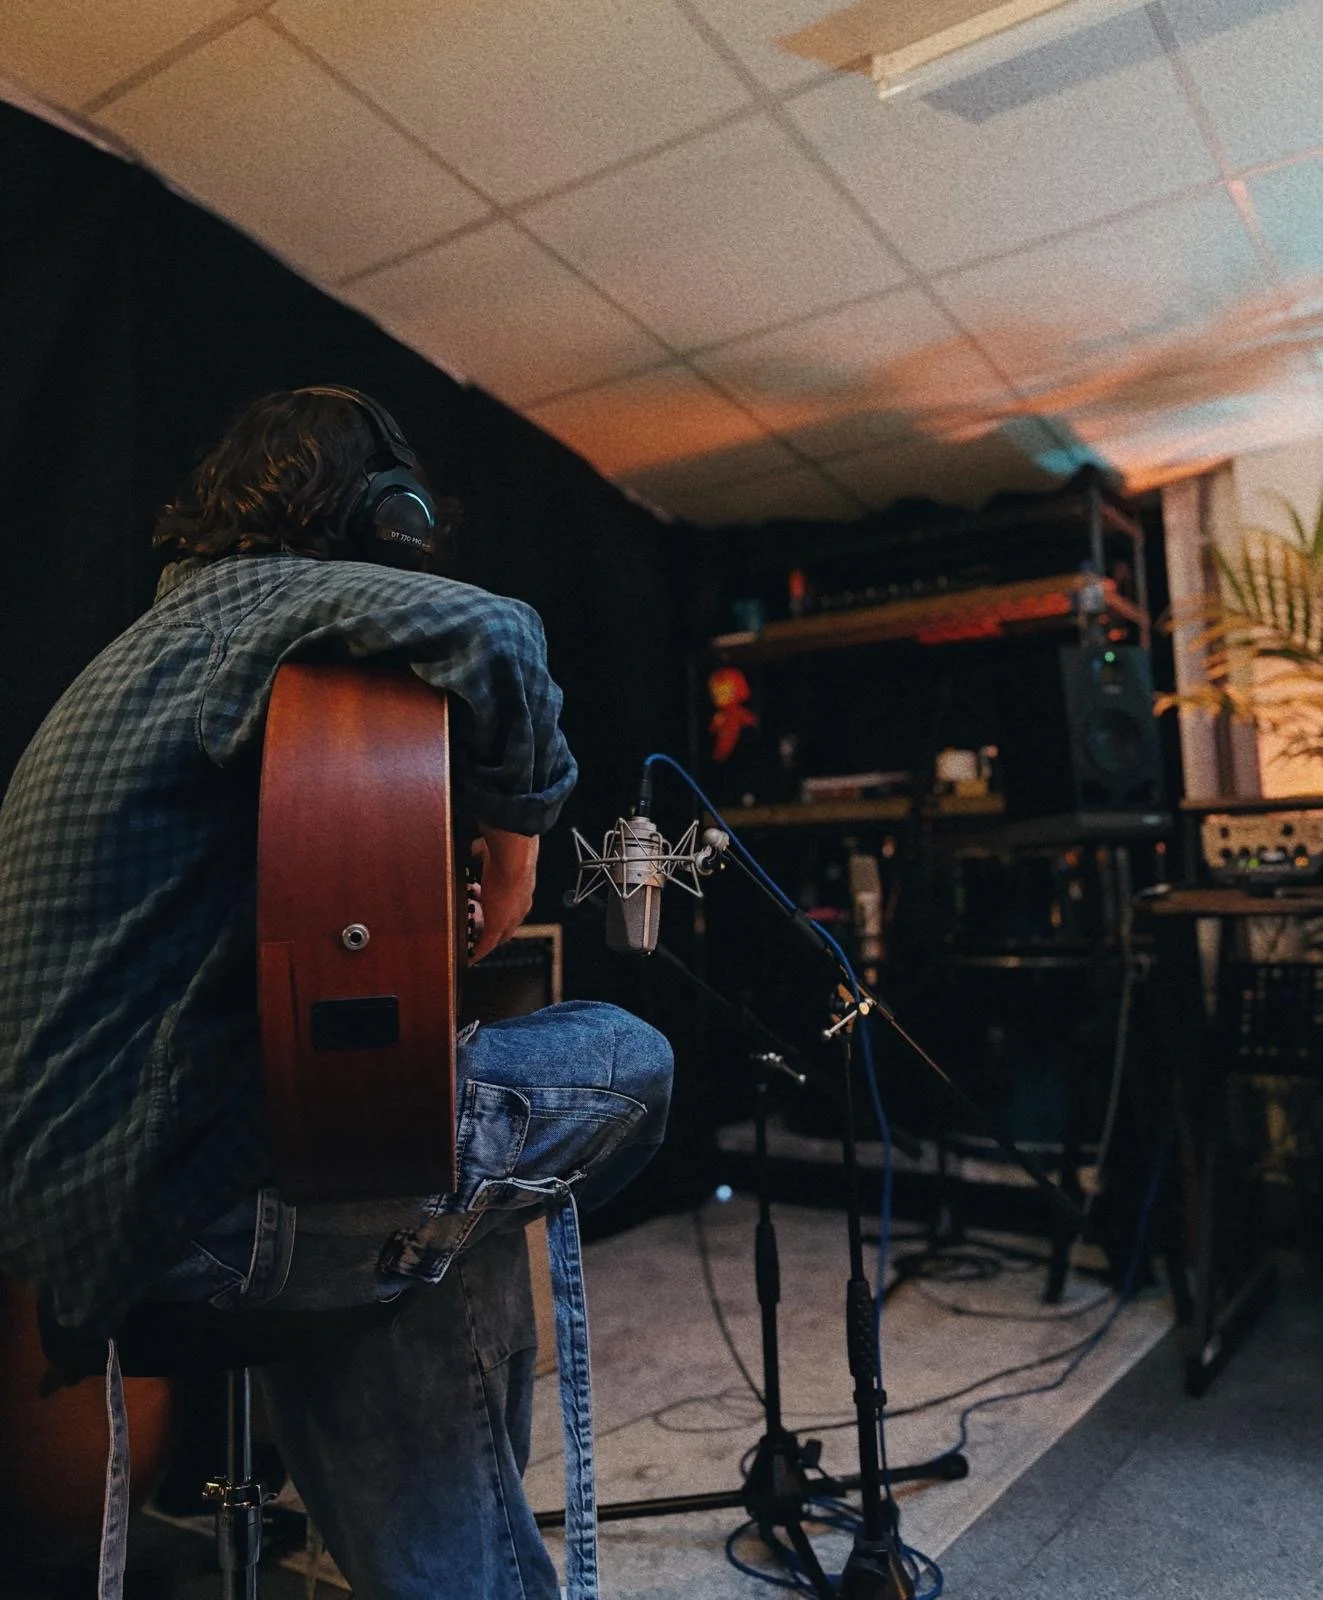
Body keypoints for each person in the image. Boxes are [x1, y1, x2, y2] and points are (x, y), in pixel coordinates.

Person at [0, 387, 674, 1600]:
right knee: (627, 1054)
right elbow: (500, 634)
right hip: (199, 1204)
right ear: (385, 521)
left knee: (416, 1205)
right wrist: (515, 845)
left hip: (82, 1234)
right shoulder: (251, 612)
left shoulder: (129, 667)